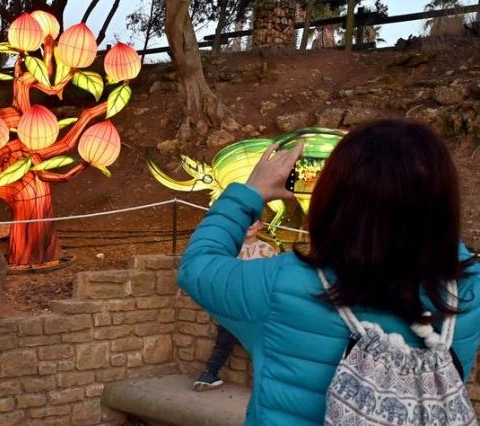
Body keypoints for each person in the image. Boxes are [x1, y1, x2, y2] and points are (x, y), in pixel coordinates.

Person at [178, 120, 479, 425]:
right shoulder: (469, 290)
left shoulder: (282, 286)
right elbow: (444, 243)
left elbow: (197, 265)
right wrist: (420, 210)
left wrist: (249, 192)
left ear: (333, 198)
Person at [193, 219, 277, 391]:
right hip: (234, 306)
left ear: (261, 225)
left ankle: (269, 383)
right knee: (226, 331)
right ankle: (210, 372)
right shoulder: (228, 250)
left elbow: (273, 281)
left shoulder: (268, 251)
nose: (249, 224)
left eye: (254, 220)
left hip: (258, 307)